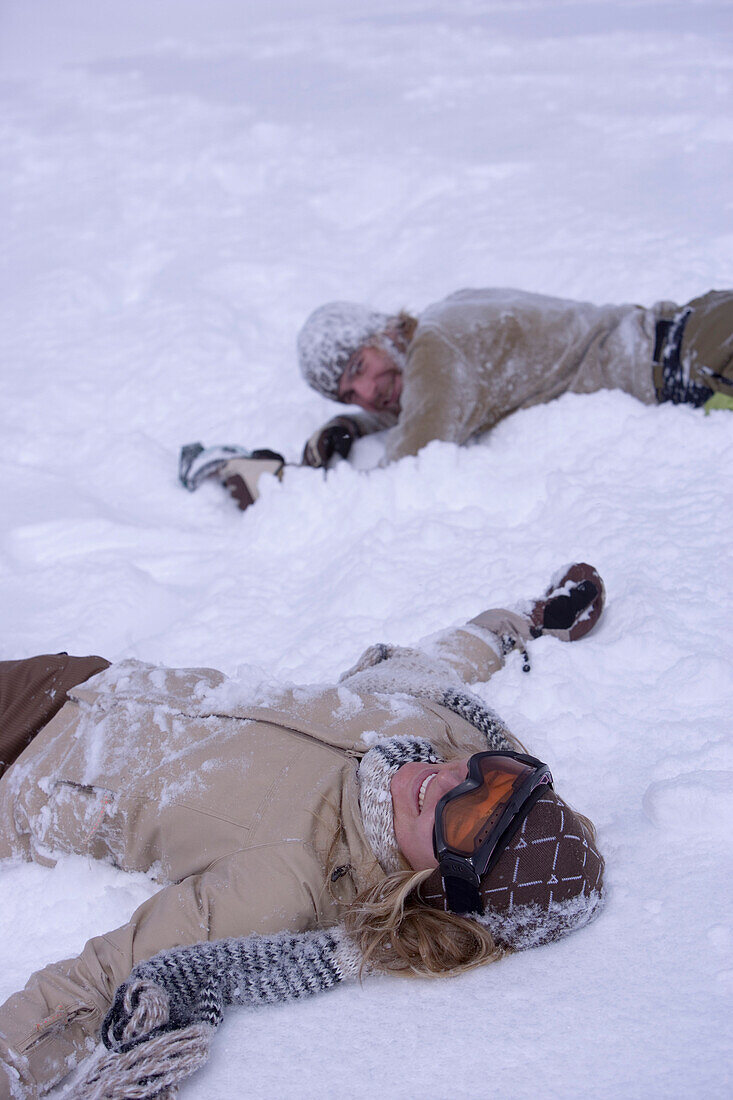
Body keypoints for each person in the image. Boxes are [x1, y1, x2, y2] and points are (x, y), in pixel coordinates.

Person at [0, 564, 607, 1099]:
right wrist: (519, 623)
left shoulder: (287, 880)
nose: (451, 778)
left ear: (441, 888)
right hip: (81, 685)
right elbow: (437, 662)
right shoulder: (429, 727)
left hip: (23, 782)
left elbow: (99, 981)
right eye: (497, 777)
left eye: (466, 820)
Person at [179, 287, 733, 510]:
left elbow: (406, 476)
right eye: (350, 392)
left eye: (360, 369)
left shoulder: (437, 351)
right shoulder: (442, 324)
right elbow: (424, 401)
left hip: (699, 356)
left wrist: (273, 485)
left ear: (381, 333)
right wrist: (353, 424)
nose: (369, 392)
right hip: (691, 334)